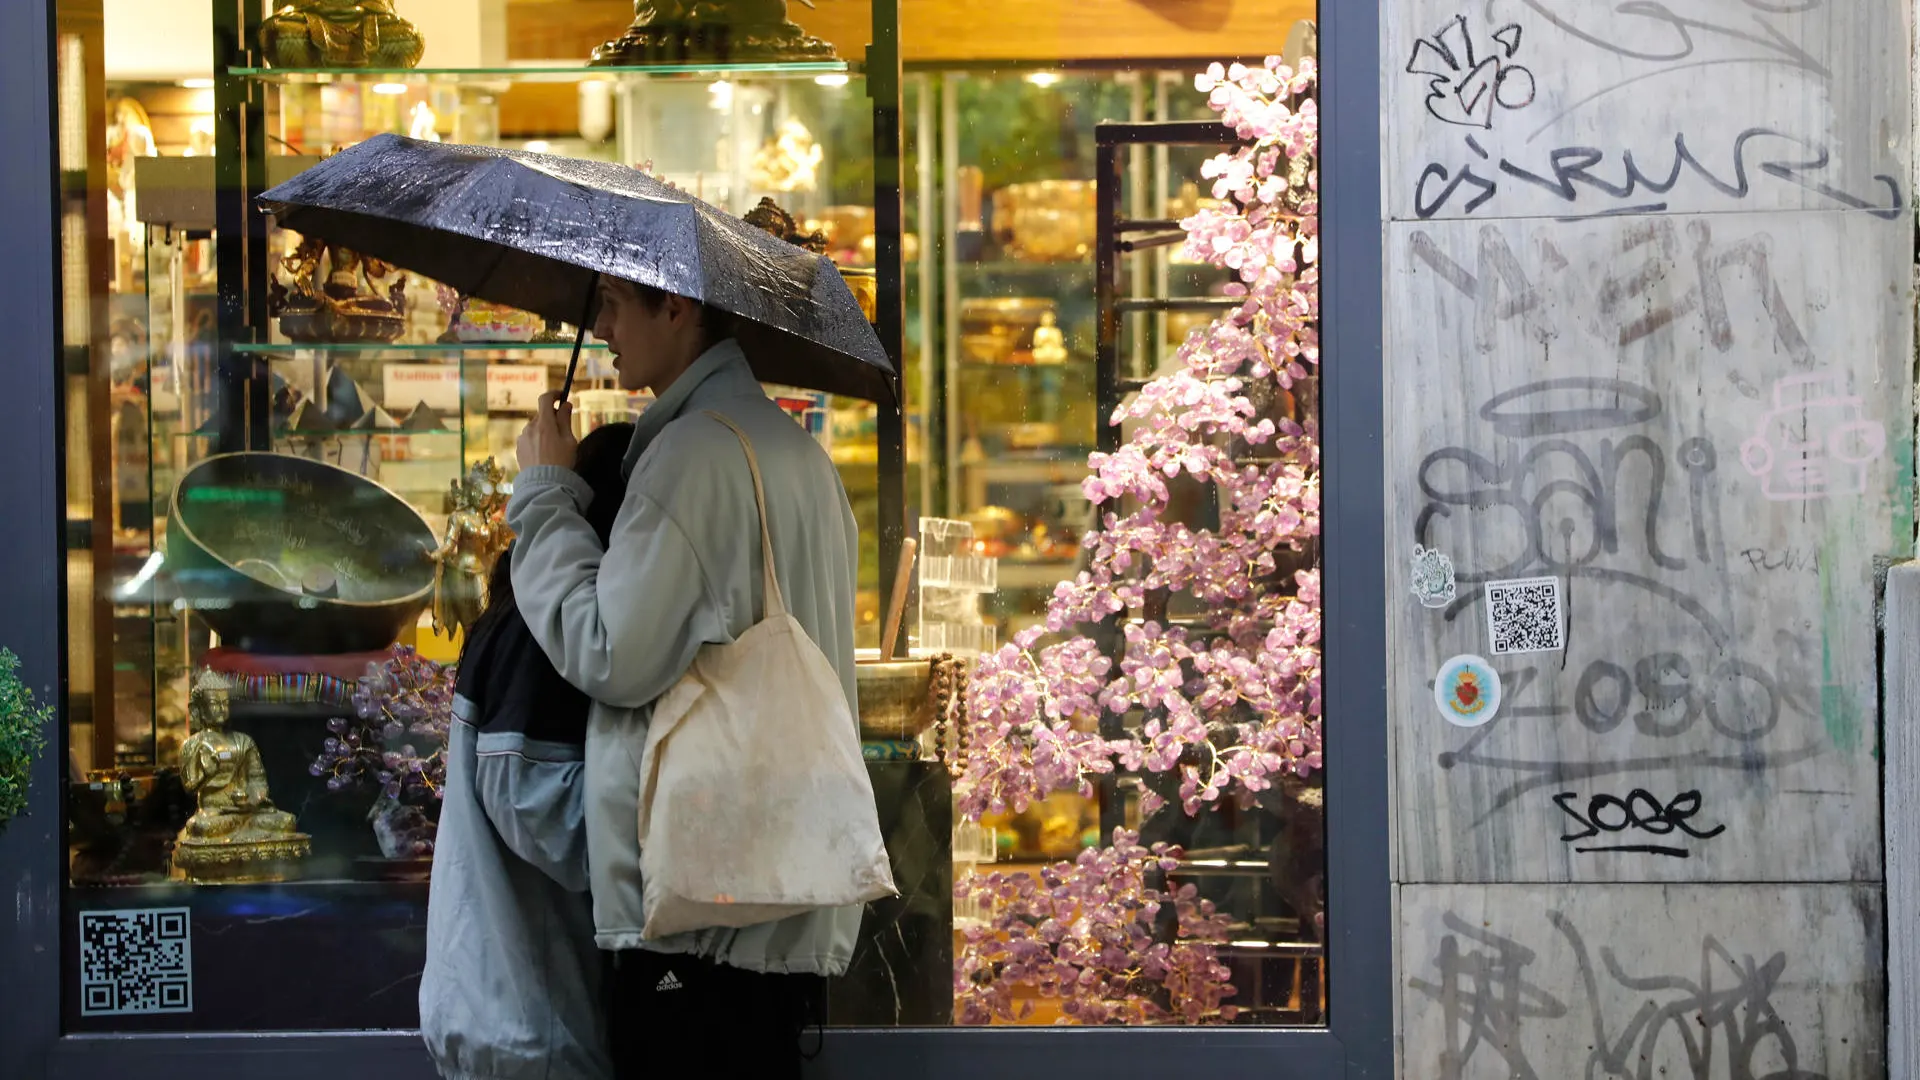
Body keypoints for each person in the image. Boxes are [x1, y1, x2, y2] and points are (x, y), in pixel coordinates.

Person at [506, 278, 861, 1078]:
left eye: (614, 304)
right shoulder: (796, 453)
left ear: (679, 308)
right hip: (774, 904)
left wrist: (544, 498)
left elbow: (609, 654)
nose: (600, 326)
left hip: (696, 920)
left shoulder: (692, 458)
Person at [419, 421, 634, 1080]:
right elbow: (535, 804)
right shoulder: (544, 632)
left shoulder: (526, 611)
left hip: (507, 1013)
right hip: (529, 1024)